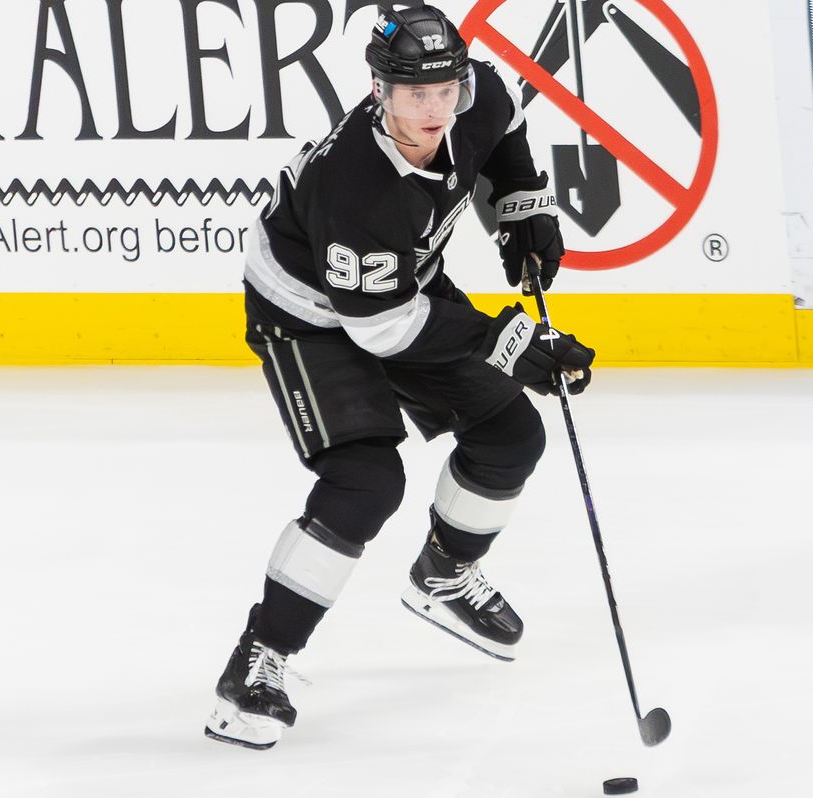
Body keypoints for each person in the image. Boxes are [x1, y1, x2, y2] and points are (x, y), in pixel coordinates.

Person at [205, 4, 595, 750]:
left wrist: (521, 209)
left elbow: (505, 126)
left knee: (512, 435)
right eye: (415, 94)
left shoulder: (472, 94)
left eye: (445, 89)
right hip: (308, 311)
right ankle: (257, 664)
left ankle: (445, 571)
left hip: (397, 287)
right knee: (367, 481)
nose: (436, 109)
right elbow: (379, 328)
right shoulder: (358, 185)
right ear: (379, 89)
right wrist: (511, 343)